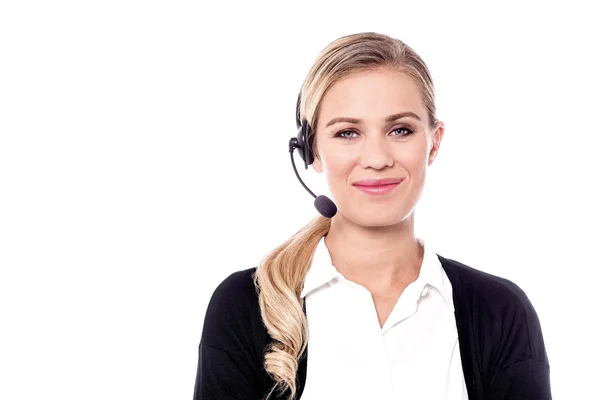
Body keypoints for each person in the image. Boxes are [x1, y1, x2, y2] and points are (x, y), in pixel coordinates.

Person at [193, 32, 552, 400]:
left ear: (434, 142)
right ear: (310, 150)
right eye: (348, 132)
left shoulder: (501, 312)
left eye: (401, 130)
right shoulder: (245, 305)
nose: (377, 158)